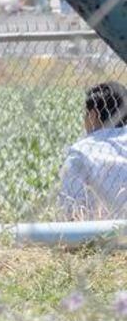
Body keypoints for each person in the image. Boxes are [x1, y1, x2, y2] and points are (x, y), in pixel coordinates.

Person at [59, 81, 127, 219]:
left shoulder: (80, 153)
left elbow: (70, 213)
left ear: (93, 115)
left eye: (85, 114)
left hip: (100, 236)